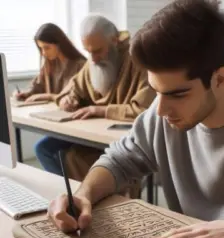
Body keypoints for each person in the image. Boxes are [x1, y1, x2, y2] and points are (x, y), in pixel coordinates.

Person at [49, 0, 224, 238]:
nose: (160, 110)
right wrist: (82, 195)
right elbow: (117, 161)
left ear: (220, 79)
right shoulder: (162, 113)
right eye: (156, 91)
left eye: (177, 94)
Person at [36, 15, 155, 180]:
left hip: (123, 136)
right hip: (91, 132)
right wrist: (69, 99)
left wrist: (99, 110)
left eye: (98, 51)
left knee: (71, 157)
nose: (92, 59)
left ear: (115, 41)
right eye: (88, 51)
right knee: (44, 147)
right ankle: (72, 197)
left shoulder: (138, 59)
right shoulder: (93, 59)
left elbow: (144, 109)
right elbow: (72, 89)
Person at [15, 23, 86, 103]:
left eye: (47, 48)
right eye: (41, 48)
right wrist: (27, 93)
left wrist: (49, 96)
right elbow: (38, 87)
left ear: (60, 44)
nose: (43, 53)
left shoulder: (81, 65)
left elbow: (75, 99)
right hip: (50, 111)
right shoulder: (49, 64)